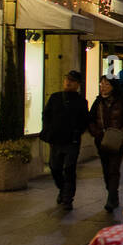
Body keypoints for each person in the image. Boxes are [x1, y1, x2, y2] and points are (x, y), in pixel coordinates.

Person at [41, 70, 89, 211]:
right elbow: (46, 114)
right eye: (67, 79)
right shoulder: (55, 98)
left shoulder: (81, 101)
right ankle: (63, 189)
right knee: (55, 167)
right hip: (55, 140)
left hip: (71, 141)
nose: (68, 82)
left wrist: (77, 131)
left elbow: (84, 120)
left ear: (78, 85)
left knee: (69, 168)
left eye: (72, 81)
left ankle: (68, 198)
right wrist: (49, 129)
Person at [88, 76, 123, 212]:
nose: (103, 86)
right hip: (101, 140)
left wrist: (122, 133)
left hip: (117, 141)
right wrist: (96, 132)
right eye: (101, 84)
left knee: (113, 169)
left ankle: (111, 198)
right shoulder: (98, 102)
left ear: (113, 86)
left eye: (106, 84)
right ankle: (113, 194)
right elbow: (90, 120)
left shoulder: (122, 101)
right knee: (105, 169)